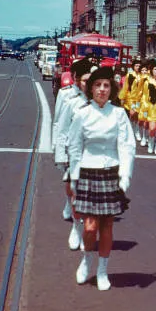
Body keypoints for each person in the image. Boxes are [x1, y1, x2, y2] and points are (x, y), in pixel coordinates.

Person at [68, 67, 136, 290]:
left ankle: (103, 270)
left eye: (106, 85)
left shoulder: (118, 114)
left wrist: (124, 175)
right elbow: (75, 146)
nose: (102, 90)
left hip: (110, 172)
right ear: (91, 89)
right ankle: (87, 260)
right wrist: (75, 175)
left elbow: (127, 146)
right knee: (89, 227)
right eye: (98, 85)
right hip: (88, 172)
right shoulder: (82, 113)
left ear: (111, 89)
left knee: (107, 226)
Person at [53, 59, 94, 247]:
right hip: (73, 153)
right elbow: (60, 127)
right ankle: (75, 227)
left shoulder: (100, 101)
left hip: (94, 155)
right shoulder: (68, 98)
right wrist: (59, 154)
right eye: (84, 79)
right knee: (73, 190)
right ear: (76, 79)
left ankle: (86, 228)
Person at [118, 58, 143, 140]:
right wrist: (122, 97)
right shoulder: (130, 75)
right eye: (136, 65)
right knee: (132, 113)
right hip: (130, 98)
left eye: (139, 66)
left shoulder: (143, 75)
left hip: (139, 99)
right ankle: (131, 131)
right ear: (133, 67)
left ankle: (136, 130)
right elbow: (126, 87)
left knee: (137, 115)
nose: (138, 67)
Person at [131, 62, 150, 146]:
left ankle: (145, 137)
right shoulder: (136, 80)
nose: (144, 71)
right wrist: (135, 104)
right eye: (142, 70)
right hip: (140, 102)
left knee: (147, 120)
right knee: (140, 119)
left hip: (149, 103)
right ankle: (137, 131)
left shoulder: (150, 80)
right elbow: (134, 92)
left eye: (146, 70)